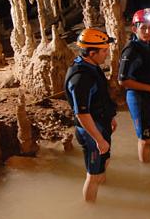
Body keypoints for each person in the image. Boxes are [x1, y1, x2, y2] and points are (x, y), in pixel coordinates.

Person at [64, 28, 118, 202]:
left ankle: (105, 191)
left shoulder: (92, 66)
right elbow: (82, 113)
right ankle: (91, 210)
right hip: (90, 132)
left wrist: (110, 116)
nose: (107, 54)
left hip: (101, 125)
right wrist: (98, 139)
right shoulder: (81, 79)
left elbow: (100, 97)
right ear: (92, 52)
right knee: (92, 176)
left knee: (105, 162)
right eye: (104, 51)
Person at [118, 8, 150, 163]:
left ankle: (147, 166)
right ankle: (146, 168)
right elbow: (123, 80)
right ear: (134, 29)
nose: (148, 31)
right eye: (143, 28)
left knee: (149, 134)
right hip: (138, 98)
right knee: (144, 138)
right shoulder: (130, 51)